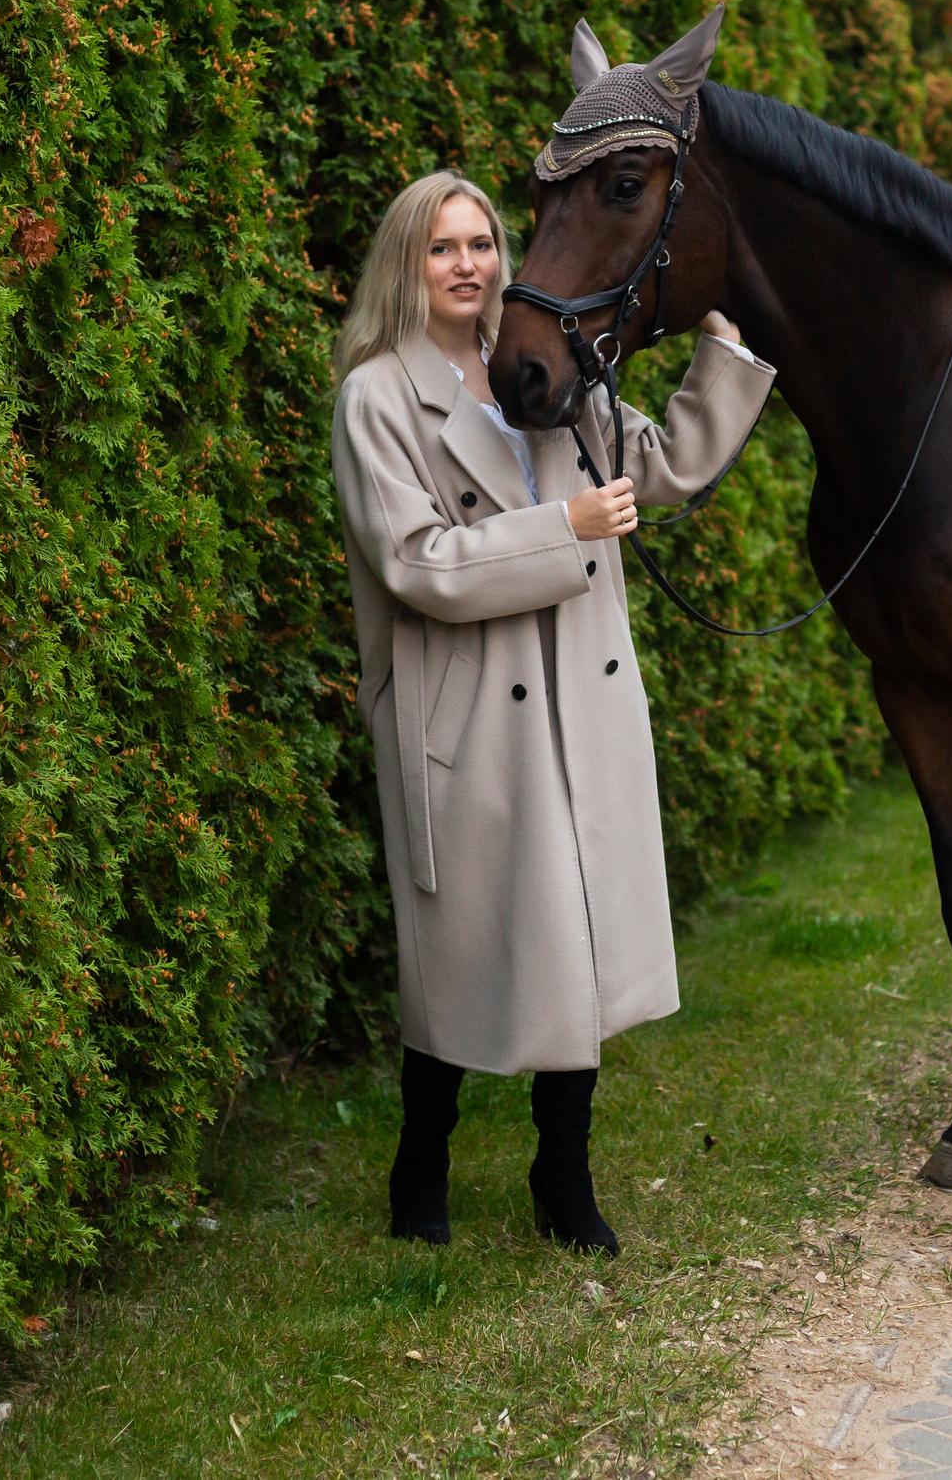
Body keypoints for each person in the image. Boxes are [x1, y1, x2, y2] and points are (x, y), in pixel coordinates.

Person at [329, 170, 774, 1254]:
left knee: (573, 936)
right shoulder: (378, 397)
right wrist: (566, 526)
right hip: (467, 711)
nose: (469, 265)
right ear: (407, 263)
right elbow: (417, 564)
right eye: (443, 248)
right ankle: (420, 1157)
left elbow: (652, 469)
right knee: (466, 946)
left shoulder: (543, 364)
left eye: (482, 242)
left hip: (579, 692)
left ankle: (562, 1172)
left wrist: (726, 349)